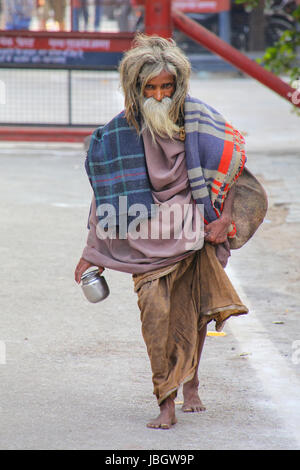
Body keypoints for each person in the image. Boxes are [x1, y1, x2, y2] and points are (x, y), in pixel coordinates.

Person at [75, 34, 250, 429]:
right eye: (150, 87)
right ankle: (165, 397)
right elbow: (105, 196)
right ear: (135, 89)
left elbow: (234, 167)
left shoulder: (201, 121)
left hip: (192, 236)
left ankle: (190, 383)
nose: (159, 94)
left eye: (166, 86)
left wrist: (225, 218)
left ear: (179, 85)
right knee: (156, 316)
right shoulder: (116, 136)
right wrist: (91, 253)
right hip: (144, 243)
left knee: (192, 316)